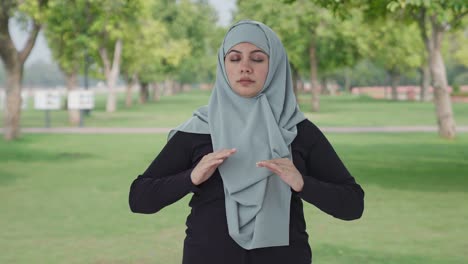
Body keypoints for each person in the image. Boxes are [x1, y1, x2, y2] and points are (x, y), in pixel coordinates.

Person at [129, 20, 364, 264]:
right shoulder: (199, 130)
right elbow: (140, 199)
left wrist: (302, 183)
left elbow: (352, 204)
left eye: (258, 59)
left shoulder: (297, 130)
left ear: (275, 66)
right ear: (223, 65)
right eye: (234, 58)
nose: (245, 68)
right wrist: (191, 177)